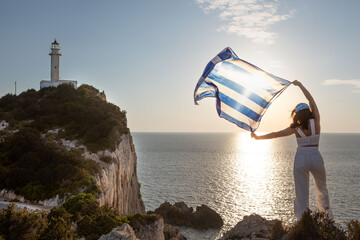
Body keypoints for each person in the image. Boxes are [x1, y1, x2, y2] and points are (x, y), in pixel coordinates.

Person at [250, 80, 334, 221]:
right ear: (308, 111)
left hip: (301, 157)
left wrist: (258, 138)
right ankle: (326, 219)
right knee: (322, 189)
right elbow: (311, 99)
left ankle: (302, 221)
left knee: (301, 193)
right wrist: (300, 85)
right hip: (315, 155)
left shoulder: (295, 128)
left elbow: (276, 134)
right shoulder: (316, 120)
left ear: (297, 114)